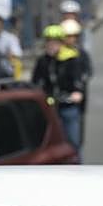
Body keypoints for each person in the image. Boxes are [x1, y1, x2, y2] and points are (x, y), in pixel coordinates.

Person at [33, 24, 89, 155]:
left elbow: (78, 80)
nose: (51, 45)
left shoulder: (71, 59)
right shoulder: (43, 61)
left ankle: (77, 167)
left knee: (73, 142)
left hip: (67, 105)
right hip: (50, 106)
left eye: (55, 42)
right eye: (49, 42)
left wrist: (76, 92)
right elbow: (36, 81)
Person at [0, 14, 24, 78]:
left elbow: (17, 53)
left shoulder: (10, 38)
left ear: (1, 25)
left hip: (5, 69)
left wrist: (9, 55)